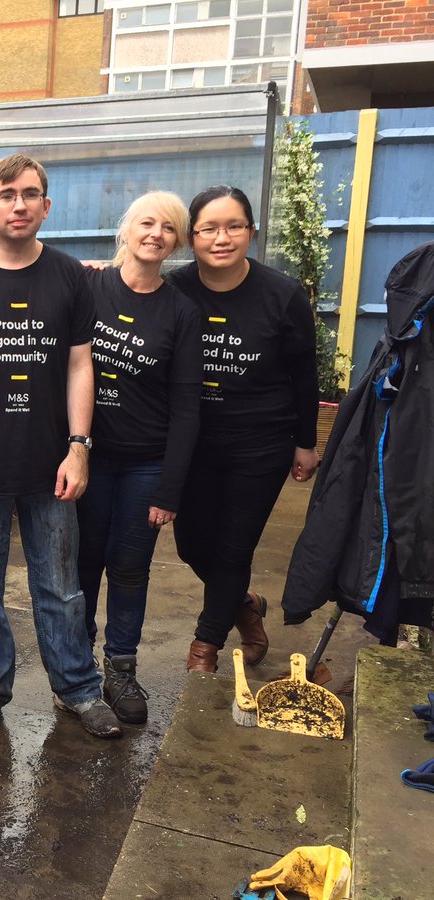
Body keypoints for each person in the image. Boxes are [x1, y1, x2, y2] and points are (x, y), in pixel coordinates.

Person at [0, 153, 122, 743]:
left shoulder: (69, 276)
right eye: (7, 194)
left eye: (30, 194)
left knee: (61, 585)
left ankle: (78, 688)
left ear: (46, 205)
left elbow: (81, 365)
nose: (19, 204)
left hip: (51, 464)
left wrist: (79, 448)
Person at [165, 185, 318, 673]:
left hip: (261, 443)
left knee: (234, 547)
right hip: (192, 443)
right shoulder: (173, 289)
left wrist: (307, 442)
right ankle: (245, 605)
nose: (222, 237)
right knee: (192, 545)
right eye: (209, 228)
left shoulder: (282, 295)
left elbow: (305, 375)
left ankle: (205, 648)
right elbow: (123, 292)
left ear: (251, 232)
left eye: (234, 226)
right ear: (191, 236)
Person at [75, 191, 201, 723]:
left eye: (169, 228)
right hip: (85, 455)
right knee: (82, 562)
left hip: (145, 462)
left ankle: (121, 669)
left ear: (177, 243)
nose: (156, 234)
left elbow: (187, 407)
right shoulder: (88, 285)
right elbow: (18, 269)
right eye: (147, 223)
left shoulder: (181, 311)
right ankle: (77, 666)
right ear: (125, 229)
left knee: (129, 567)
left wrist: (170, 488)